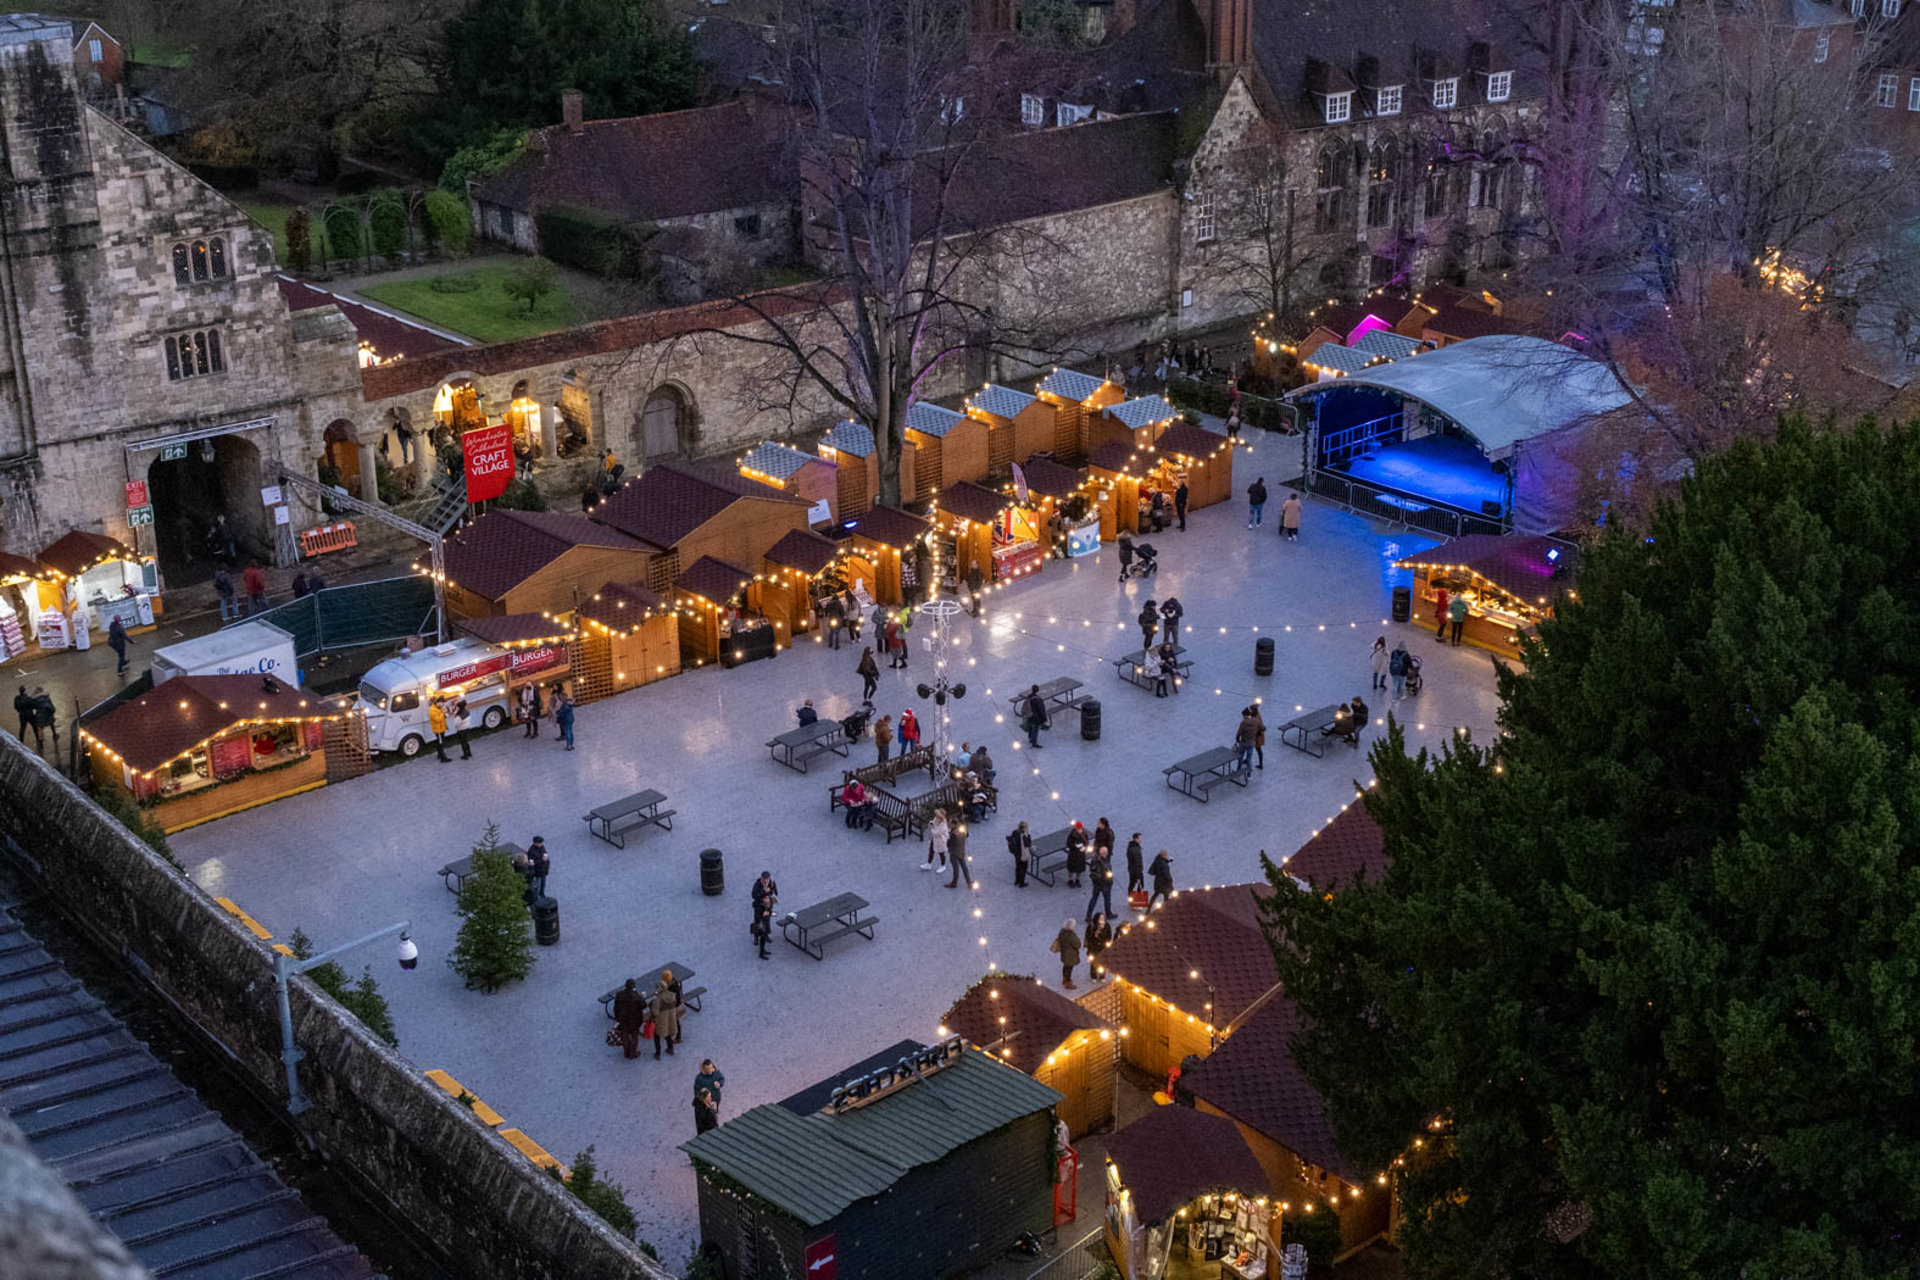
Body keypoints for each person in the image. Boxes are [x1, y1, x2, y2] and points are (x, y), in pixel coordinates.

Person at [612, 979, 647, 1060]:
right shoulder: (637, 997)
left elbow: (616, 1008)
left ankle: (626, 1052)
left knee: (625, 1036)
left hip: (623, 1019)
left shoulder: (619, 995)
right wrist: (642, 997)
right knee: (634, 1037)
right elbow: (644, 1005)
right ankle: (633, 1053)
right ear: (633, 987)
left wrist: (618, 1018)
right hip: (635, 1021)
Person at [650, 972, 680, 1057]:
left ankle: (658, 1053)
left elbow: (654, 1012)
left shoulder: (657, 999)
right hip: (670, 1019)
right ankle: (670, 1048)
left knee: (657, 1035)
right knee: (668, 1034)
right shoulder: (672, 995)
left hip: (661, 1020)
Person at [1086, 843, 1114, 921]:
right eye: (1106, 852)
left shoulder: (1094, 860)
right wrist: (1108, 877)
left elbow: (1092, 873)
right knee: (1107, 900)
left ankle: (1088, 916)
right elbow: (1099, 874)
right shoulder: (1102, 862)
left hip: (1096, 884)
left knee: (1094, 899)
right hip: (1104, 884)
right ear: (1104, 853)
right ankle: (1108, 914)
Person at [1052, 918, 1082, 990]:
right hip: (1070, 955)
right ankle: (1067, 983)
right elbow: (1078, 944)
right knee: (1069, 968)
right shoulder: (1072, 935)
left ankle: (1065, 979)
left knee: (1065, 967)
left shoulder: (1062, 932)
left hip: (1064, 953)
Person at [945, 819, 974, 889]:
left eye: (950, 823)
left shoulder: (954, 833)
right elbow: (967, 835)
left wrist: (947, 840)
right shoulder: (962, 829)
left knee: (956, 869)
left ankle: (954, 883)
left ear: (953, 824)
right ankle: (969, 882)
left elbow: (949, 843)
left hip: (954, 852)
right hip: (962, 851)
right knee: (964, 867)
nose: (949, 825)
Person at [1085, 912, 1114, 979]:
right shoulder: (1091, 926)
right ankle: (1093, 976)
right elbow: (1088, 936)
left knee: (1103, 962)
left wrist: (1106, 942)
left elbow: (1109, 935)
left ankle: (1102, 976)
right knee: (1093, 963)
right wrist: (1094, 935)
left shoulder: (1107, 925)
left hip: (1103, 947)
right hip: (1093, 948)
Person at [1234, 707, 1260, 778]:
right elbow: (1262, 728)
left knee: (1240, 756)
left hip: (1244, 742)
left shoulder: (1243, 723)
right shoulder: (1256, 721)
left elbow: (1238, 733)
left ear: (1245, 715)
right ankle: (1249, 775)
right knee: (1249, 759)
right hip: (1251, 742)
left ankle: (1238, 771)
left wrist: (1237, 740)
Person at [923, 806, 950, 873]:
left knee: (941, 853)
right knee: (931, 850)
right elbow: (932, 823)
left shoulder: (943, 824)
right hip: (934, 839)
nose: (936, 816)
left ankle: (943, 866)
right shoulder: (936, 819)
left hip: (941, 841)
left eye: (937, 815)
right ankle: (929, 864)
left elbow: (936, 833)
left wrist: (932, 828)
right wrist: (931, 823)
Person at [1007, 822, 1033, 887]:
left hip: (1016, 853)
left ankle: (1017, 880)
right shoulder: (1024, 835)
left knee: (1018, 867)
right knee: (1023, 868)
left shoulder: (1015, 832)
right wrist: (1028, 836)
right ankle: (1021, 883)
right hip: (1023, 854)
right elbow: (1028, 844)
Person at [428, 697, 452, 763]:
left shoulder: (438, 708)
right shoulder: (432, 710)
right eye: (442, 704)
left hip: (441, 728)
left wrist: (444, 712)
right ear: (439, 702)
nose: (443, 705)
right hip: (438, 730)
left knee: (440, 742)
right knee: (441, 743)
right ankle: (443, 758)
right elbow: (438, 719)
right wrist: (443, 713)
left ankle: (439, 754)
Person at [1065, 821, 1088, 889]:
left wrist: (1084, 847)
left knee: (1079, 868)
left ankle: (1077, 879)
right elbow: (1068, 844)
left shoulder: (1084, 833)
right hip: (1073, 854)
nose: (1080, 830)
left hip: (1081, 854)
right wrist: (1075, 846)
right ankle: (1070, 879)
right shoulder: (1072, 835)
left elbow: (1086, 841)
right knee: (1071, 868)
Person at [1244, 703, 1267, 769]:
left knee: (1258, 749)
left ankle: (1260, 764)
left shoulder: (1256, 718)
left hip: (1257, 735)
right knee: (1249, 747)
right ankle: (1247, 759)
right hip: (1255, 734)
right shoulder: (1256, 714)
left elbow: (1260, 727)